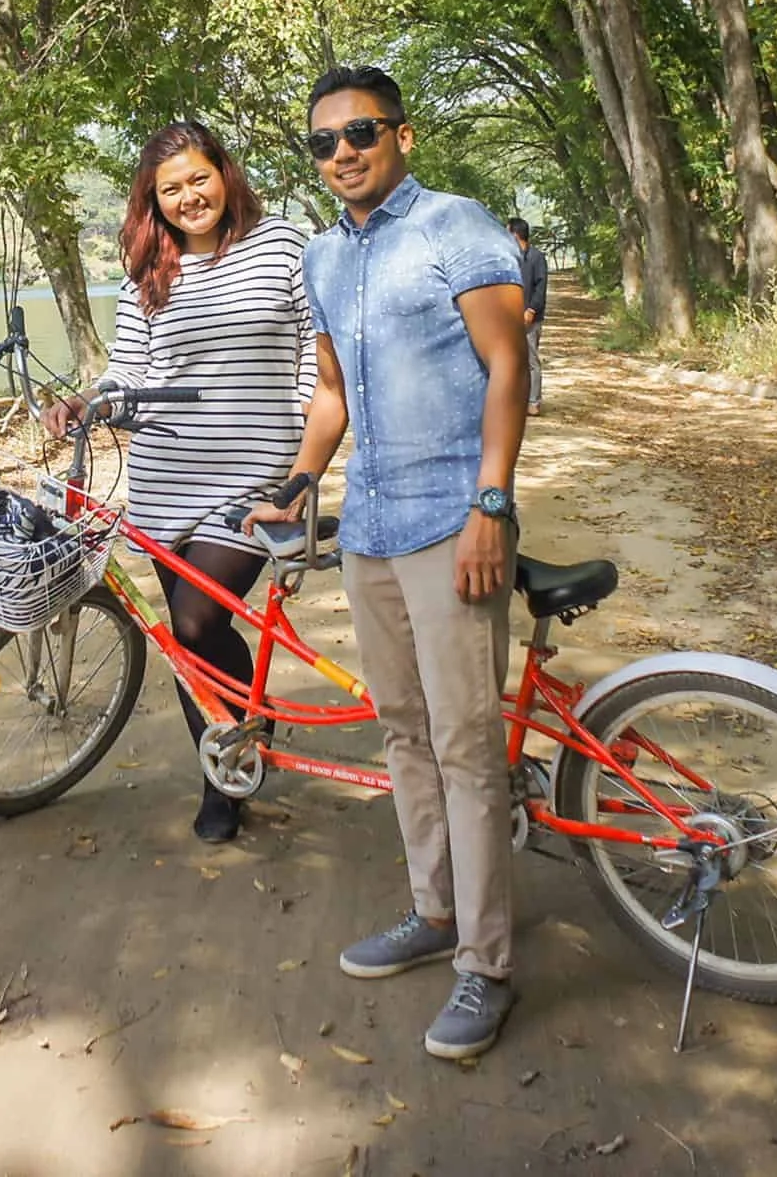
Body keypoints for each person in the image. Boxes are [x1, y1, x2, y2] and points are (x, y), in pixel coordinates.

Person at [251, 64, 530, 1061]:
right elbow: (331, 392)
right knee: (404, 734)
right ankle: (435, 910)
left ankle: (487, 963)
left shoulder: (456, 225)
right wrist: (299, 481)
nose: (342, 153)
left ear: (401, 135)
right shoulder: (323, 257)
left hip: (453, 522)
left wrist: (491, 504)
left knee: (466, 745)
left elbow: (508, 363)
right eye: (322, 141)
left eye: (360, 132)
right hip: (367, 527)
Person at [44, 120, 313, 844]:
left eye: (199, 178)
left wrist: (300, 456)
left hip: (256, 475)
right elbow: (130, 372)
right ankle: (223, 768)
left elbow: (315, 356)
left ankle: (241, 740)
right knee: (188, 642)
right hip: (166, 476)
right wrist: (89, 401)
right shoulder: (150, 271)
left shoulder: (283, 246)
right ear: (153, 199)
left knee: (197, 621)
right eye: (171, 189)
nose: (189, 197)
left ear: (224, 174)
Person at [507, 217, 547, 416]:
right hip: (510, 317)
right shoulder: (508, 257)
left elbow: (541, 287)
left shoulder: (536, 257)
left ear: (515, 234)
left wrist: (531, 309)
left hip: (530, 318)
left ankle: (534, 401)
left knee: (531, 360)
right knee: (512, 360)